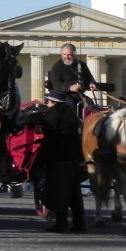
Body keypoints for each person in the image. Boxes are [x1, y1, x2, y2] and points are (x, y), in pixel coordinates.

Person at [39, 90, 86, 233]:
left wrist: (43, 158)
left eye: (48, 101)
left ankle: (61, 223)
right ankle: (79, 224)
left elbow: (49, 140)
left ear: (53, 102)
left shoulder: (52, 115)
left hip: (58, 158)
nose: (47, 103)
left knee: (58, 192)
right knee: (74, 194)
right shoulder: (72, 115)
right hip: (72, 158)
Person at [48, 43, 97, 114]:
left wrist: (91, 83)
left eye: (69, 55)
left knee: (90, 103)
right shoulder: (57, 67)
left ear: (74, 54)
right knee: (71, 104)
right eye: (64, 54)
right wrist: (69, 87)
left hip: (79, 94)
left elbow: (89, 77)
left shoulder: (81, 65)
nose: (66, 57)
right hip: (64, 95)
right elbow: (55, 83)